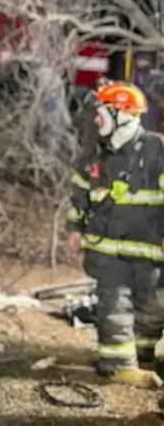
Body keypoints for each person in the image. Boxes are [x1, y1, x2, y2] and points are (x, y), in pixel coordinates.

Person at [67, 82, 164, 388]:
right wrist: (74, 228)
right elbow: (79, 193)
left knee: (152, 305)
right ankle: (118, 364)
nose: (96, 120)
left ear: (121, 114)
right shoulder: (95, 153)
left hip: (148, 247)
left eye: (101, 114)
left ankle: (140, 353)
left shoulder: (156, 149)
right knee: (115, 304)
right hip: (108, 250)